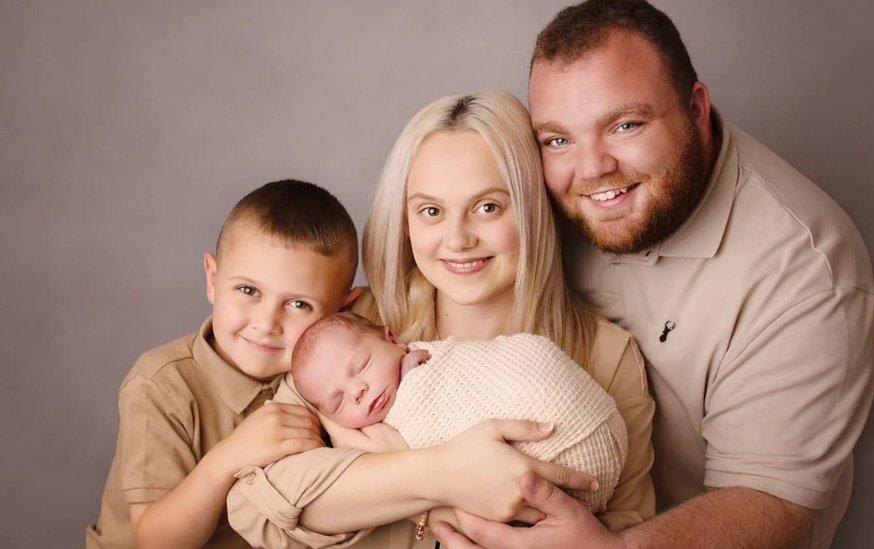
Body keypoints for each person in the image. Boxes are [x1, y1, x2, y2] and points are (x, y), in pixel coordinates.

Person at [435, 1, 874, 548]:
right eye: (558, 139)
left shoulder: (805, 269)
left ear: (695, 108)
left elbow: (774, 506)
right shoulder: (540, 194)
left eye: (625, 125)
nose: (593, 169)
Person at [225, 90, 656, 548]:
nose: (457, 239)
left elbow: (627, 532)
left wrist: (382, 476)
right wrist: (442, 477)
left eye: (488, 207)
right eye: (431, 211)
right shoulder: (356, 329)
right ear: (406, 222)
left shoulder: (607, 354)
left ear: (533, 209)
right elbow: (255, 506)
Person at [86, 179, 362, 547]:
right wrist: (228, 458)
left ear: (342, 309)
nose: (266, 324)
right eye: (248, 291)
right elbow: (156, 541)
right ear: (212, 278)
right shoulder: (160, 384)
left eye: (299, 305)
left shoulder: (330, 374)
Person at [285, 311, 629, 514]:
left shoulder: (426, 361)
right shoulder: (362, 437)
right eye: (338, 402)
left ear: (392, 338)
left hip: (576, 429)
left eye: (360, 366)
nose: (357, 392)